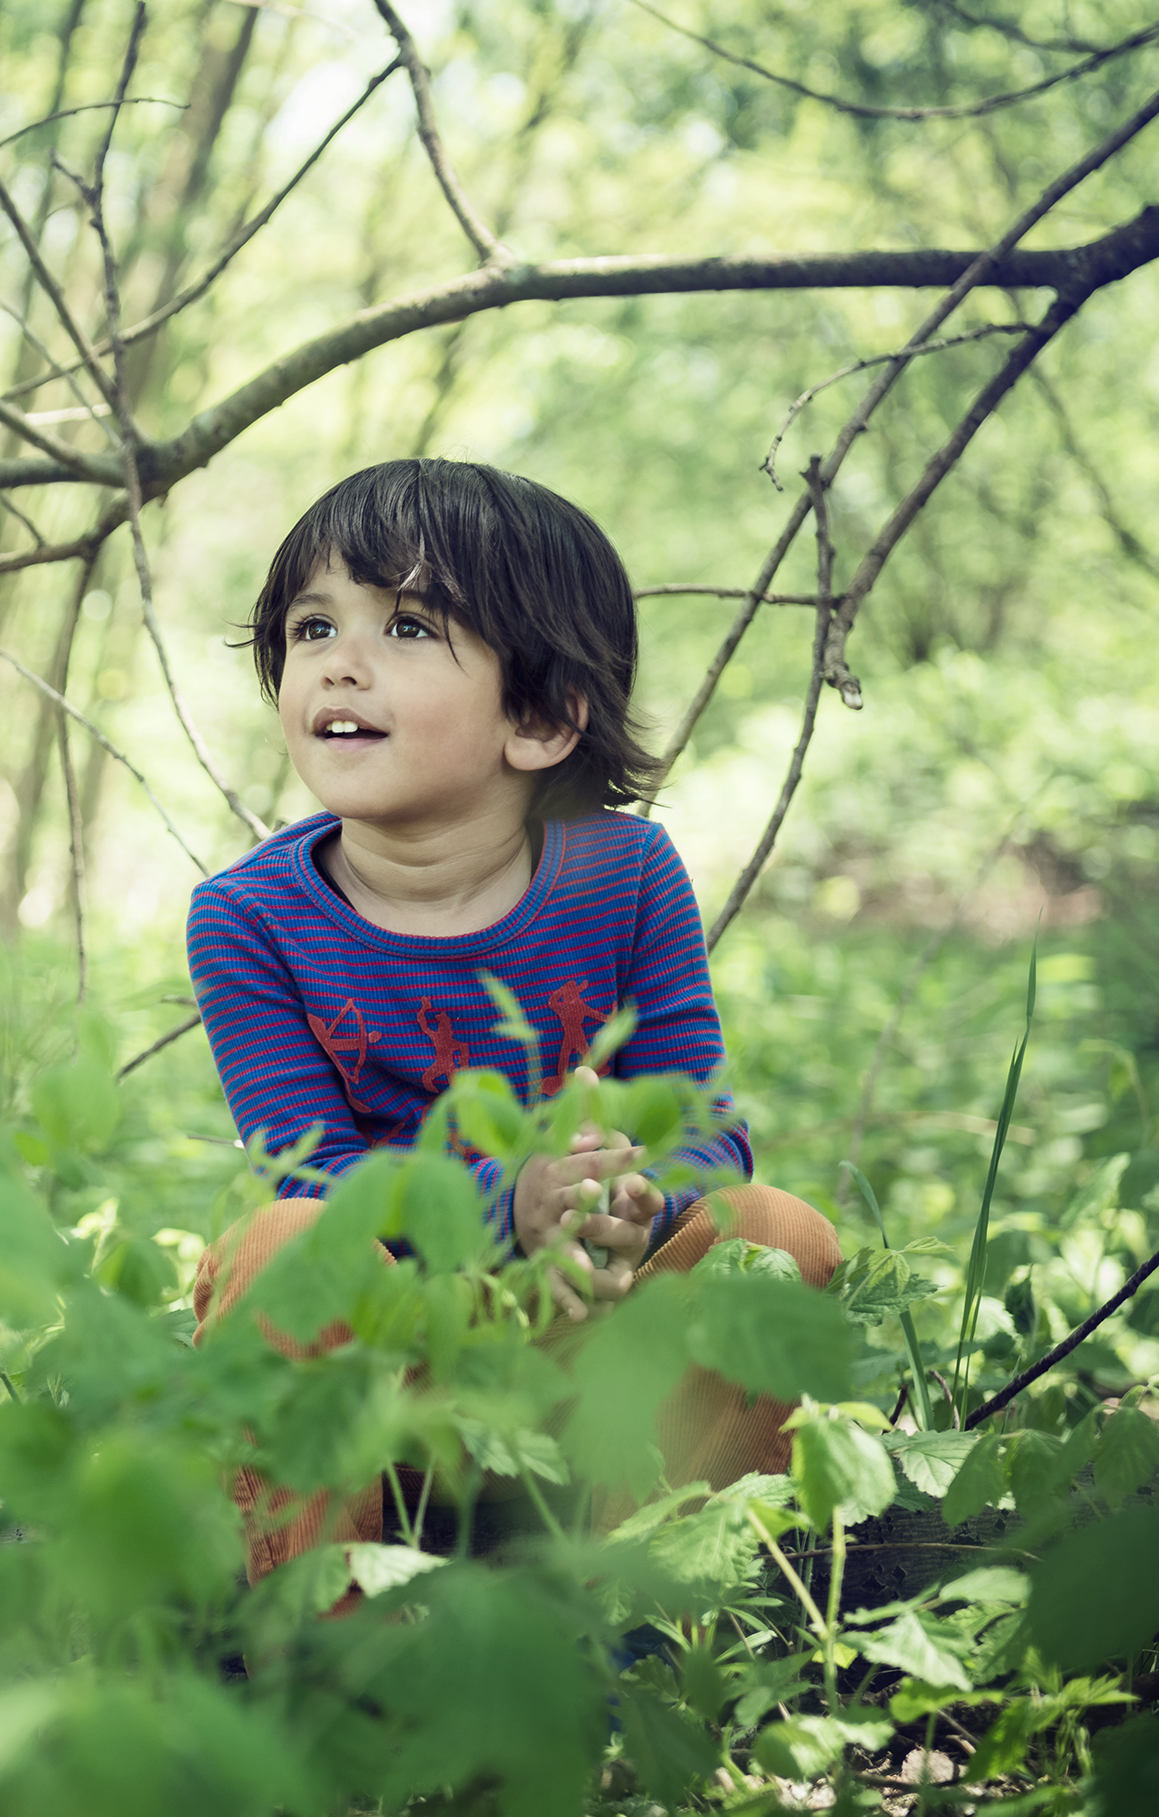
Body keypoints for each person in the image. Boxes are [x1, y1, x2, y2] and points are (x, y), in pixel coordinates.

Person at [183, 459, 840, 1588]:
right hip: (384, 1373)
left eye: (405, 625)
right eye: (311, 625)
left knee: (778, 1236)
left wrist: (632, 1205)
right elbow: (311, 1179)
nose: (338, 659)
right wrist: (506, 1205)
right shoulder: (249, 919)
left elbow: (702, 1124)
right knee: (276, 1250)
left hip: (602, 1347)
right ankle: (330, 1653)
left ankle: (662, 1606)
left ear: (537, 717)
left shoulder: (625, 875)